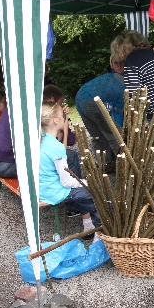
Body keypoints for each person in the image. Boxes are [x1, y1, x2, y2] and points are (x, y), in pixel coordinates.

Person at [39, 101, 101, 242]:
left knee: (81, 189)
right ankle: (99, 232)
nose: (64, 119)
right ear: (56, 121)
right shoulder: (56, 147)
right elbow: (66, 182)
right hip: (53, 192)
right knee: (96, 193)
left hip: (42, 188)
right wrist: (87, 183)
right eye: (62, 117)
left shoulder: (41, 138)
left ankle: (88, 225)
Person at [75, 55, 125, 172]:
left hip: (79, 98)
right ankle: (124, 165)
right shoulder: (121, 81)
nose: (119, 65)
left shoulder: (110, 77)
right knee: (114, 135)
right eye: (116, 63)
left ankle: (104, 164)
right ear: (112, 64)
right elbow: (118, 111)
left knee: (97, 136)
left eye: (121, 62)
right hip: (93, 102)